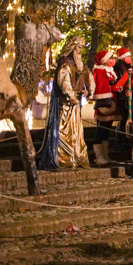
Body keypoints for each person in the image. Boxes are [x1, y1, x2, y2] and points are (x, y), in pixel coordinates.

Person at [38, 37, 91, 170]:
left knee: (76, 132)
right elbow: (65, 84)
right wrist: (71, 95)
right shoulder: (65, 66)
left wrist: (86, 91)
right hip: (65, 105)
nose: (80, 51)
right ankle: (64, 157)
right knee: (64, 131)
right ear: (72, 48)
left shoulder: (80, 66)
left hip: (75, 105)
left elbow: (85, 79)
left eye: (81, 48)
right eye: (78, 48)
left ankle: (76, 156)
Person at [91, 49, 120, 166]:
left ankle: (105, 154)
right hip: (104, 103)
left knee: (107, 130)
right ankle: (98, 156)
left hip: (111, 102)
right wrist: (113, 88)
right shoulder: (99, 71)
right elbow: (101, 87)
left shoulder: (109, 71)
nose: (112, 60)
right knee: (101, 130)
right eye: (110, 58)